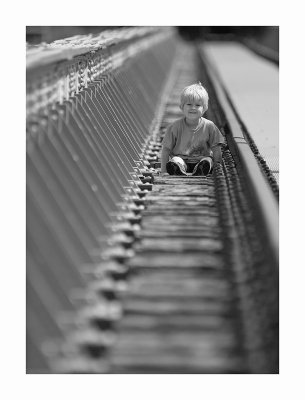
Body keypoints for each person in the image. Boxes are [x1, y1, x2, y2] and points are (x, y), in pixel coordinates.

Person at [160, 82, 224, 176]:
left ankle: (201, 169)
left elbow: (216, 149)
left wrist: (217, 169)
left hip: (201, 159)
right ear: (182, 107)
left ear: (204, 108)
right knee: (175, 160)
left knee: (208, 160)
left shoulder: (210, 126)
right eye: (189, 104)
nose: (193, 108)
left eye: (198, 105)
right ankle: (178, 168)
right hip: (181, 159)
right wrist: (163, 171)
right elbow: (166, 150)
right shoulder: (175, 127)